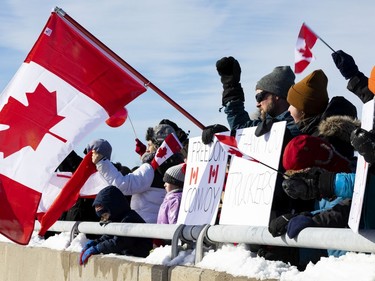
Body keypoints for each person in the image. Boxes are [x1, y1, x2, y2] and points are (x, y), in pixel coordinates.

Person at [91, 124, 184, 223]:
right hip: (164, 226)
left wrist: (102, 163)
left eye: (149, 145)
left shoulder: (150, 169)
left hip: (144, 228)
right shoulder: (180, 167)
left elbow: (123, 185)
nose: (147, 149)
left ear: (158, 146)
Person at [201, 57, 299, 144]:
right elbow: (241, 128)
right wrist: (230, 88)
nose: (257, 104)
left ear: (277, 95)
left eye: (259, 97)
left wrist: (280, 135)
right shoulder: (264, 125)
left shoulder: (299, 126)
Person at [287, 69, 360, 166]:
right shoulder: (312, 132)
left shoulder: (324, 141)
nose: (288, 109)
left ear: (304, 110)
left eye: (292, 104)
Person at [79, 186, 153, 265]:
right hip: (129, 255)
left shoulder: (129, 219)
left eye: (105, 215)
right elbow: (108, 236)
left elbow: (119, 242)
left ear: (113, 209)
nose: (104, 219)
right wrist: (94, 243)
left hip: (139, 258)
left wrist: (98, 248)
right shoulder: (116, 218)